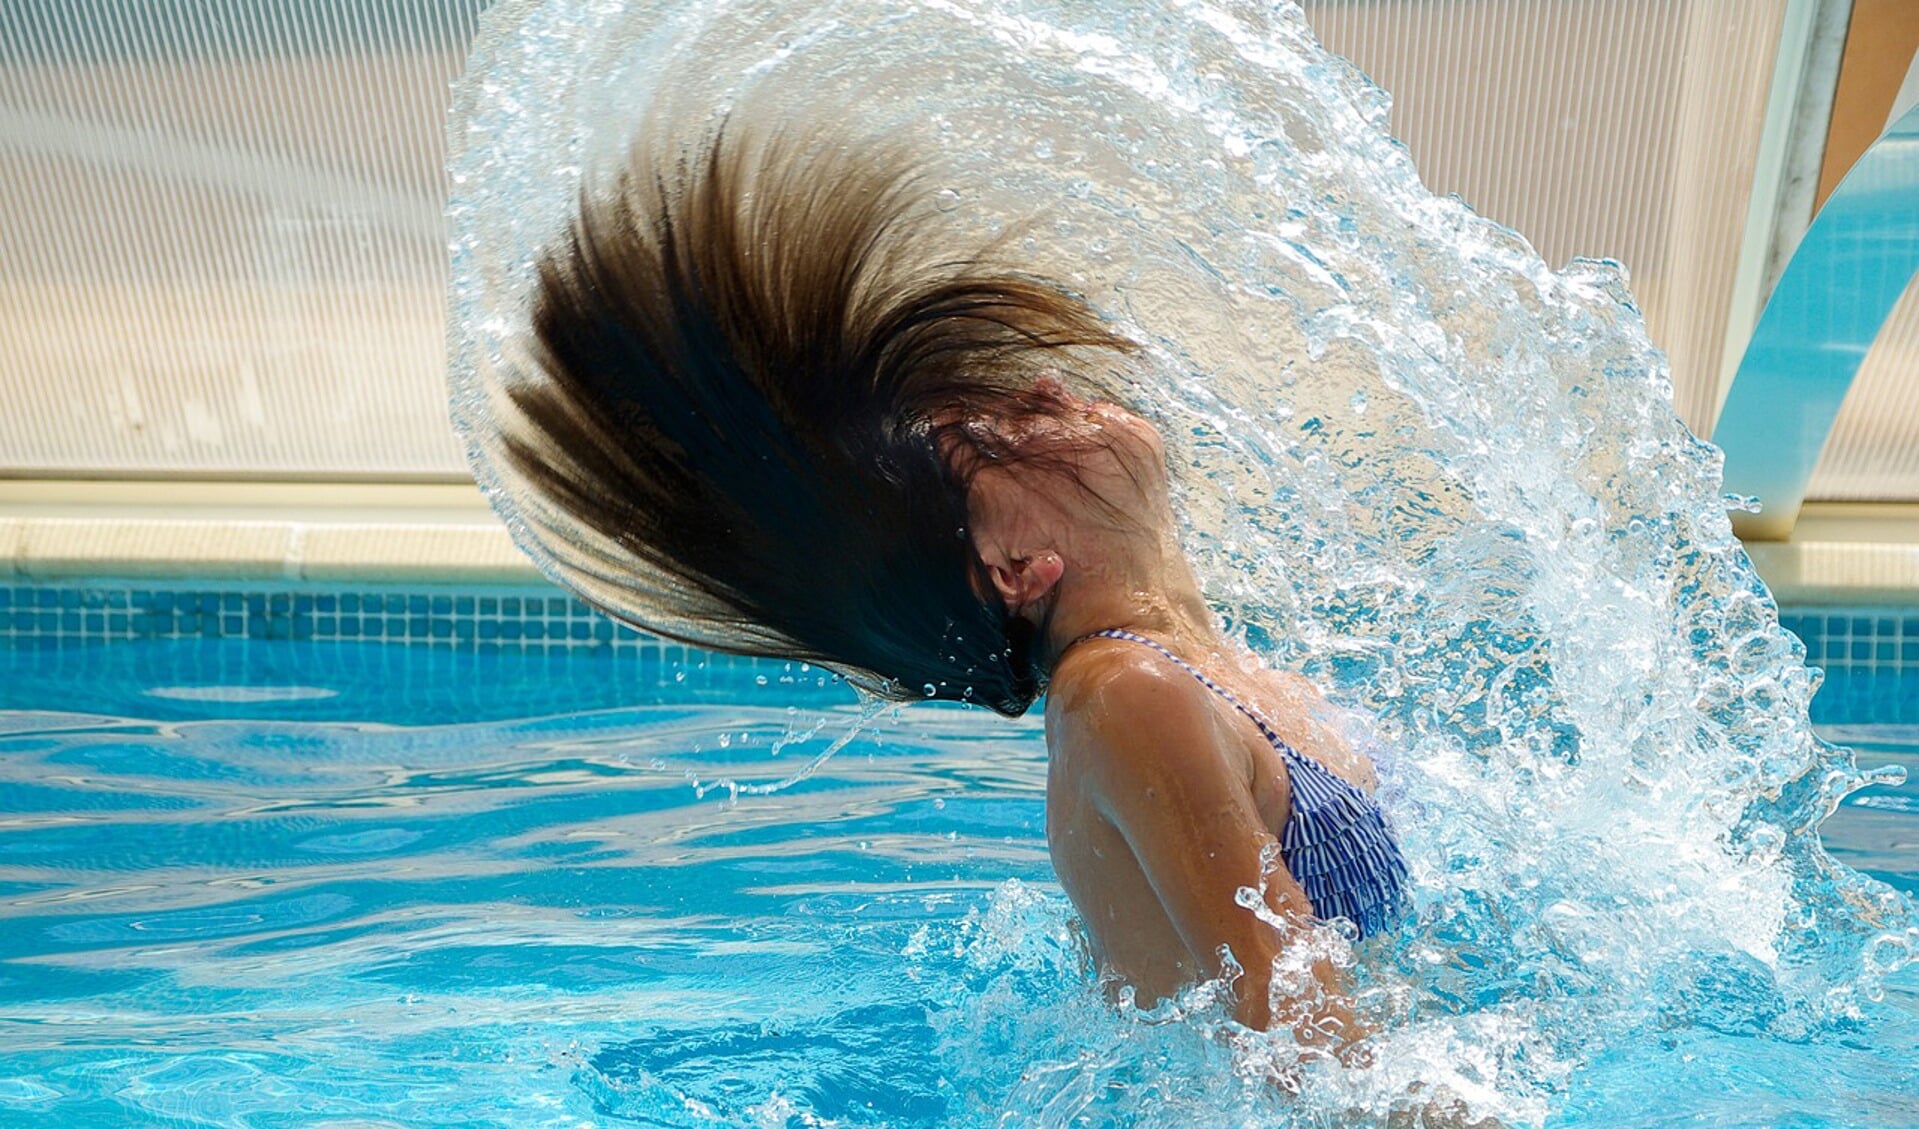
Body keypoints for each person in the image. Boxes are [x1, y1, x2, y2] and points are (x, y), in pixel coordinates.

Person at [486, 123, 1409, 1042]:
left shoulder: (1204, 674)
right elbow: (1302, 1031)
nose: (1045, 388)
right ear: (1014, 567)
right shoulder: (1125, 696)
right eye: (993, 433)